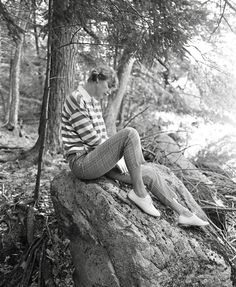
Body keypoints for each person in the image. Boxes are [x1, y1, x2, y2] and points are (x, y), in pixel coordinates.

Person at [61, 65, 209, 227]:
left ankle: (184, 213)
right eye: (108, 86)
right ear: (97, 79)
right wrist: (118, 158)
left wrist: (119, 160)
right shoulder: (76, 99)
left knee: (150, 173)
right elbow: (91, 139)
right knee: (130, 133)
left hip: (97, 160)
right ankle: (139, 193)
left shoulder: (94, 103)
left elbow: (102, 138)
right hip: (82, 163)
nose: (109, 92)